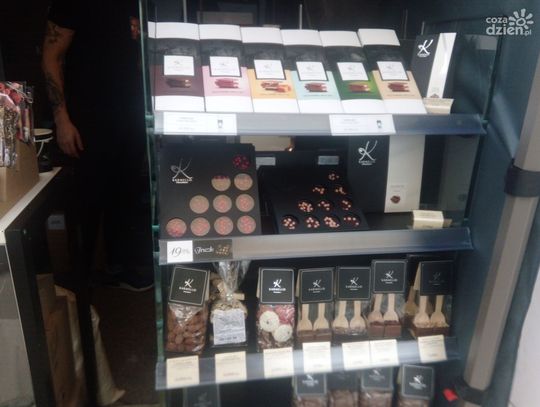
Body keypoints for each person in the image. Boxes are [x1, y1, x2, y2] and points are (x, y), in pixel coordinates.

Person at [42, 0, 153, 291]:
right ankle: (78, 280)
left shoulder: (137, 3)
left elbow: (134, 56)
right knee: (87, 199)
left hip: (130, 115)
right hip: (87, 119)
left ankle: (120, 269)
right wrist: (62, 120)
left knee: (127, 194)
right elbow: (51, 56)